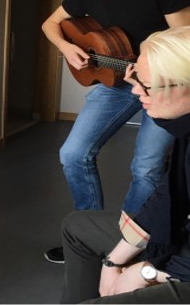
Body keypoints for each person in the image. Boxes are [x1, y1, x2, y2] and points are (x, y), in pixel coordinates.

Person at [41, 0, 190, 264]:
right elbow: (49, 24)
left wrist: (150, 69)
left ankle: (129, 241)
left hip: (163, 88)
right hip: (116, 84)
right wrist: (66, 47)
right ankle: (90, 232)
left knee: (147, 168)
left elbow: (183, 46)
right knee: (73, 154)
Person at [60, 26, 190, 303]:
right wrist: (112, 263)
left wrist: (147, 272)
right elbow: (166, 196)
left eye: (146, 85)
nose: (135, 93)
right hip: (178, 240)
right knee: (78, 226)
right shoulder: (184, 130)